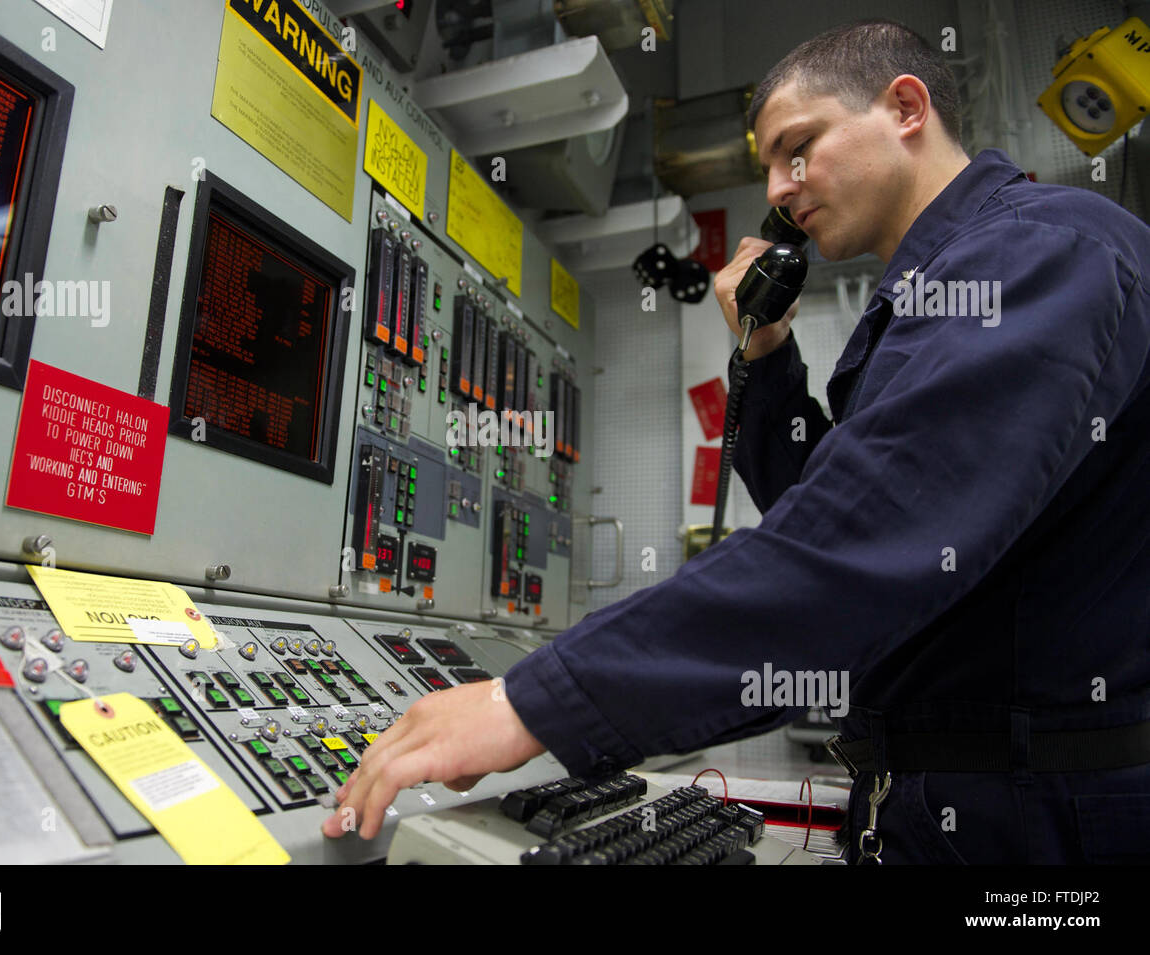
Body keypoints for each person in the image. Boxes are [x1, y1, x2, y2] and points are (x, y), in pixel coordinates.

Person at [322, 20, 1150, 863]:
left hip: (1038, 824)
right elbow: (819, 505)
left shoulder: (1038, 253)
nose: (780, 191)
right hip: (948, 804)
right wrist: (765, 352)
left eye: (798, 148)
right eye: (766, 168)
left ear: (906, 107)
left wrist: (532, 703)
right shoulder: (930, 292)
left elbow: (861, 541)